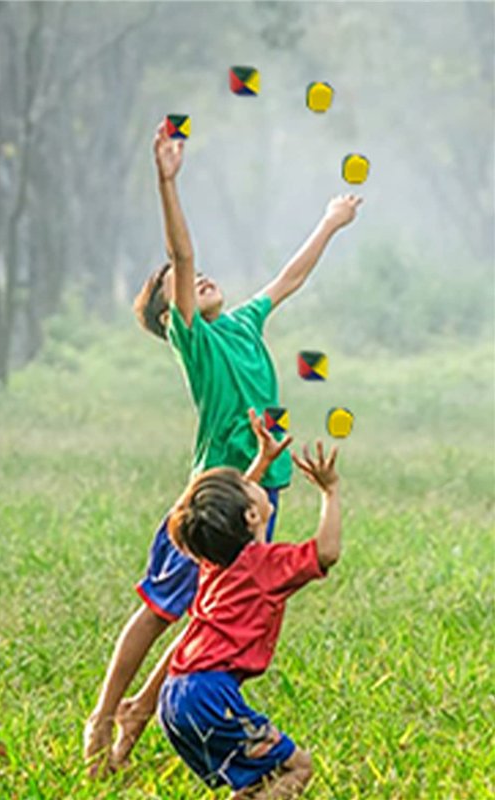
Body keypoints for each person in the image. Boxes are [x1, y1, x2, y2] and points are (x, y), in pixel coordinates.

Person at [83, 119, 361, 773]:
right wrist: (166, 180)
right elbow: (180, 256)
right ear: (168, 314)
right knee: (160, 607)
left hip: (262, 489)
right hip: (213, 496)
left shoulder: (240, 323)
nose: (197, 277)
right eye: (178, 285)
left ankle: (144, 710)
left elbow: (288, 279)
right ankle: (105, 714)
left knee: (218, 609)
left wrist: (329, 222)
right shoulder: (196, 341)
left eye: (199, 276)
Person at [157, 439, 341, 797]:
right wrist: (330, 491)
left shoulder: (214, 560)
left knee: (256, 783)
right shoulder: (265, 567)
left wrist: (262, 460)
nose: (252, 481)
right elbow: (327, 552)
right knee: (298, 767)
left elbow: (225, 513)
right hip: (209, 696)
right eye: (248, 485)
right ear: (251, 515)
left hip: (174, 696)